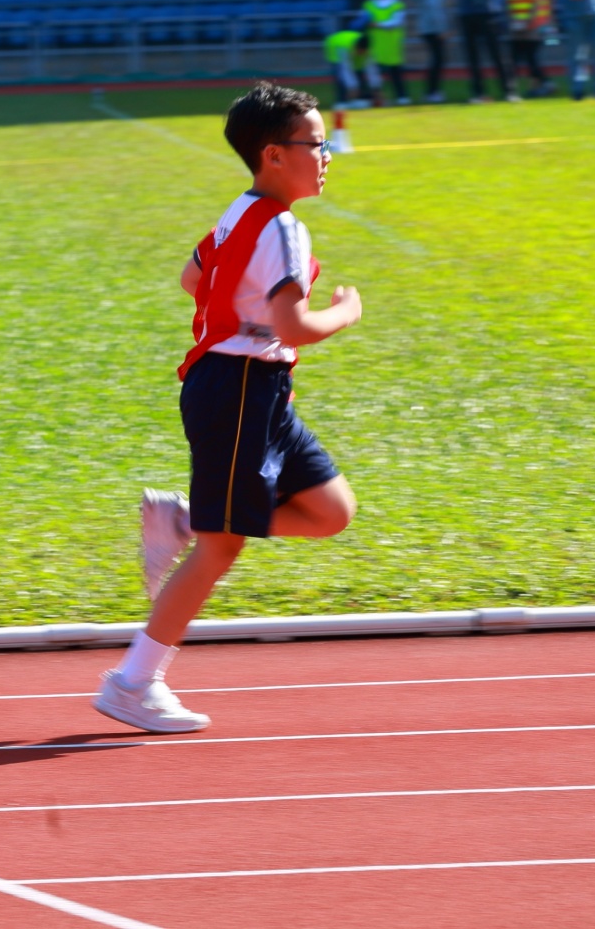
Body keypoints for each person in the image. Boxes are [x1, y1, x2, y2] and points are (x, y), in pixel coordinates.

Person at [94, 82, 363, 734]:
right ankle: (132, 683)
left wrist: (241, 313)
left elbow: (194, 277)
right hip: (239, 385)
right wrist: (345, 313)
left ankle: (187, 517)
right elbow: (293, 326)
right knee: (223, 546)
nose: (327, 154)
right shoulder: (283, 228)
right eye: (316, 144)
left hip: (255, 388)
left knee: (330, 511)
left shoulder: (237, 213)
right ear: (274, 154)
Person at [505, 0, 555, 98]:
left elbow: (542, 3)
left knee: (531, 58)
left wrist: (538, 22)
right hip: (521, 26)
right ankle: (536, 87)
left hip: (536, 26)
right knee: (526, 59)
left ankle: (541, 84)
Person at [360, 0, 409, 106]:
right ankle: (377, 98)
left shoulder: (397, 4)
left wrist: (377, 24)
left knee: (395, 72)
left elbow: (397, 22)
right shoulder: (369, 5)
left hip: (391, 44)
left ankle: (401, 96)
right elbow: (363, 20)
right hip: (375, 44)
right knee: (373, 74)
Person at [414, 0, 450, 103]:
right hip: (433, 29)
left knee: (437, 60)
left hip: (428, 28)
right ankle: (432, 92)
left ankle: (432, 91)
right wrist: (442, 30)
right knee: (438, 60)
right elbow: (435, 10)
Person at [323, 26, 369, 109]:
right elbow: (345, 70)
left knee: (358, 74)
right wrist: (353, 87)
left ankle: (358, 98)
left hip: (350, 49)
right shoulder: (343, 47)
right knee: (341, 77)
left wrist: (376, 88)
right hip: (336, 48)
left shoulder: (367, 45)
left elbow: (371, 69)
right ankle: (341, 101)